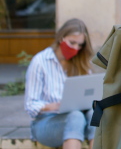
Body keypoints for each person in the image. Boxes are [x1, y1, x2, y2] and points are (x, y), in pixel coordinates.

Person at [24, 18, 95, 149]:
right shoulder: (40, 61)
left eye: (80, 45)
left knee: (95, 115)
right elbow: (30, 105)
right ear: (61, 37)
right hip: (46, 123)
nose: (75, 48)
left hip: (79, 120)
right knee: (75, 116)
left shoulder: (82, 63)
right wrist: (54, 106)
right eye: (72, 43)